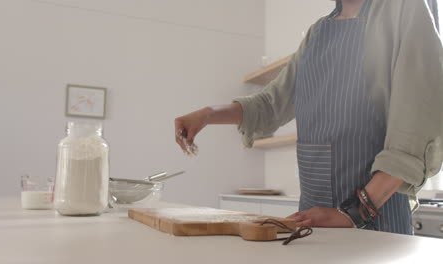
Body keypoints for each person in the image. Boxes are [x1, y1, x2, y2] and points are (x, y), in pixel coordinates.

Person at [174, 0, 443, 235]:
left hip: (374, 216)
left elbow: (414, 124)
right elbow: (270, 104)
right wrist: (208, 114)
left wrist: (355, 212)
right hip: (313, 218)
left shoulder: (403, 8)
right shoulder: (318, 32)